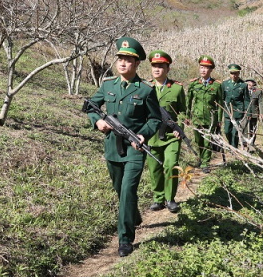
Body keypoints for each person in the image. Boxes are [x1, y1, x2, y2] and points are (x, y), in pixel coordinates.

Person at [85, 36, 161, 258]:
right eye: (120, 58)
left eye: (128, 60)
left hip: (134, 149)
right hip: (112, 148)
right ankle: (133, 215)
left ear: (137, 64)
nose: (122, 63)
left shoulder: (146, 90)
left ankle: (125, 239)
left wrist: (143, 135)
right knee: (120, 190)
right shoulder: (108, 84)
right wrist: (97, 121)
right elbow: (90, 105)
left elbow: (155, 120)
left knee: (128, 191)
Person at [146, 51, 187, 213]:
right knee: (154, 168)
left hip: (171, 136)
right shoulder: (145, 88)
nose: (157, 69)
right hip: (151, 136)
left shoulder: (176, 89)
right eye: (154, 66)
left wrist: (180, 129)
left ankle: (170, 199)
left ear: (167, 69)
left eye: (161, 66)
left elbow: (183, 113)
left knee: (171, 165)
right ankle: (158, 199)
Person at [185, 55, 224, 170]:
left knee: (208, 141)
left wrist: (219, 120)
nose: (203, 70)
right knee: (199, 141)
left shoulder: (216, 85)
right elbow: (188, 101)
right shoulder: (194, 84)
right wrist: (187, 116)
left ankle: (205, 163)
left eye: (206, 68)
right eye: (201, 67)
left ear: (211, 70)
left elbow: (220, 104)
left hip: (210, 118)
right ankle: (202, 159)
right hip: (197, 118)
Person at [222, 63, 249, 149]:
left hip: (238, 112)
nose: (234, 75)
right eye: (232, 73)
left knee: (235, 132)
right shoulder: (225, 84)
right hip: (228, 111)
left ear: (239, 73)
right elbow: (222, 98)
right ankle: (230, 144)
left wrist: (246, 112)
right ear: (229, 74)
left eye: (236, 73)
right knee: (227, 131)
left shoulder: (243, 85)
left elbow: (247, 99)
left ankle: (234, 148)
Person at [244, 78, 263, 146]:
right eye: (247, 82)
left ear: (254, 84)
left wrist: (261, 113)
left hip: (254, 113)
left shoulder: (258, 91)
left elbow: (260, 103)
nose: (249, 83)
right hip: (244, 113)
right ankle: (244, 142)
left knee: (253, 128)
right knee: (244, 127)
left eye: (251, 82)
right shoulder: (243, 90)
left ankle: (252, 142)